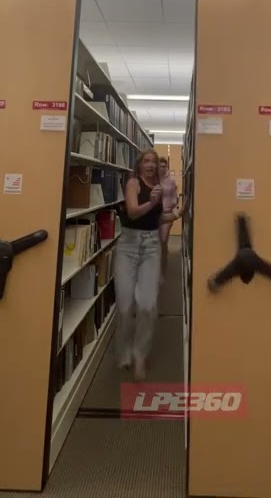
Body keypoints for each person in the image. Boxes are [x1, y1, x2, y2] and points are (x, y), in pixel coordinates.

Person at [116, 149, 183, 381]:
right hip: (128, 246)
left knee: (147, 305)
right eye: (146, 161)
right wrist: (153, 201)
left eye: (154, 162)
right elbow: (134, 213)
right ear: (139, 164)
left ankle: (140, 354)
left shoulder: (160, 187)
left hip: (151, 246)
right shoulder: (133, 184)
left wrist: (175, 214)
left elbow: (156, 218)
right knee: (125, 306)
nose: (151, 165)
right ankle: (125, 347)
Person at [157, 156, 178, 286]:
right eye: (161, 166)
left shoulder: (171, 181)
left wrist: (174, 205)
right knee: (156, 243)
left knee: (163, 240)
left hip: (167, 214)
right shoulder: (153, 180)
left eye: (165, 166)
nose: (163, 168)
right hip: (155, 215)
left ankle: (162, 272)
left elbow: (175, 196)